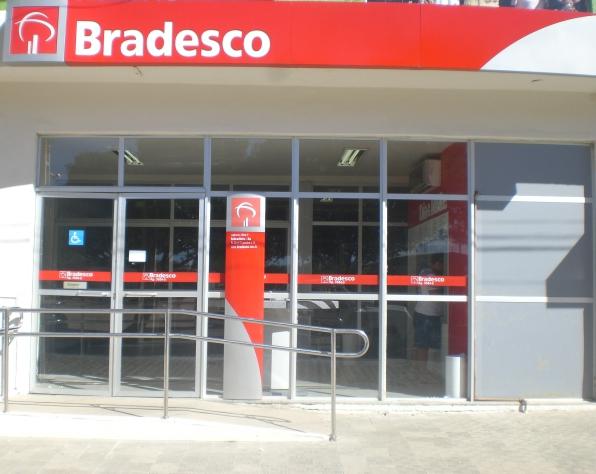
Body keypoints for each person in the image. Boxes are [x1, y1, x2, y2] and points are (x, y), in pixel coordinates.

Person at [413, 254, 444, 363]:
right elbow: (434, 294)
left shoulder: (426, 274)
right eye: (440, 264)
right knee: (423, 345)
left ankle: (420, 369)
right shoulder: (430, 276)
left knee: (424, 345)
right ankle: (421, 369)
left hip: (428, 314)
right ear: (435, 264)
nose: (442, 267)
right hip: (426, 315)